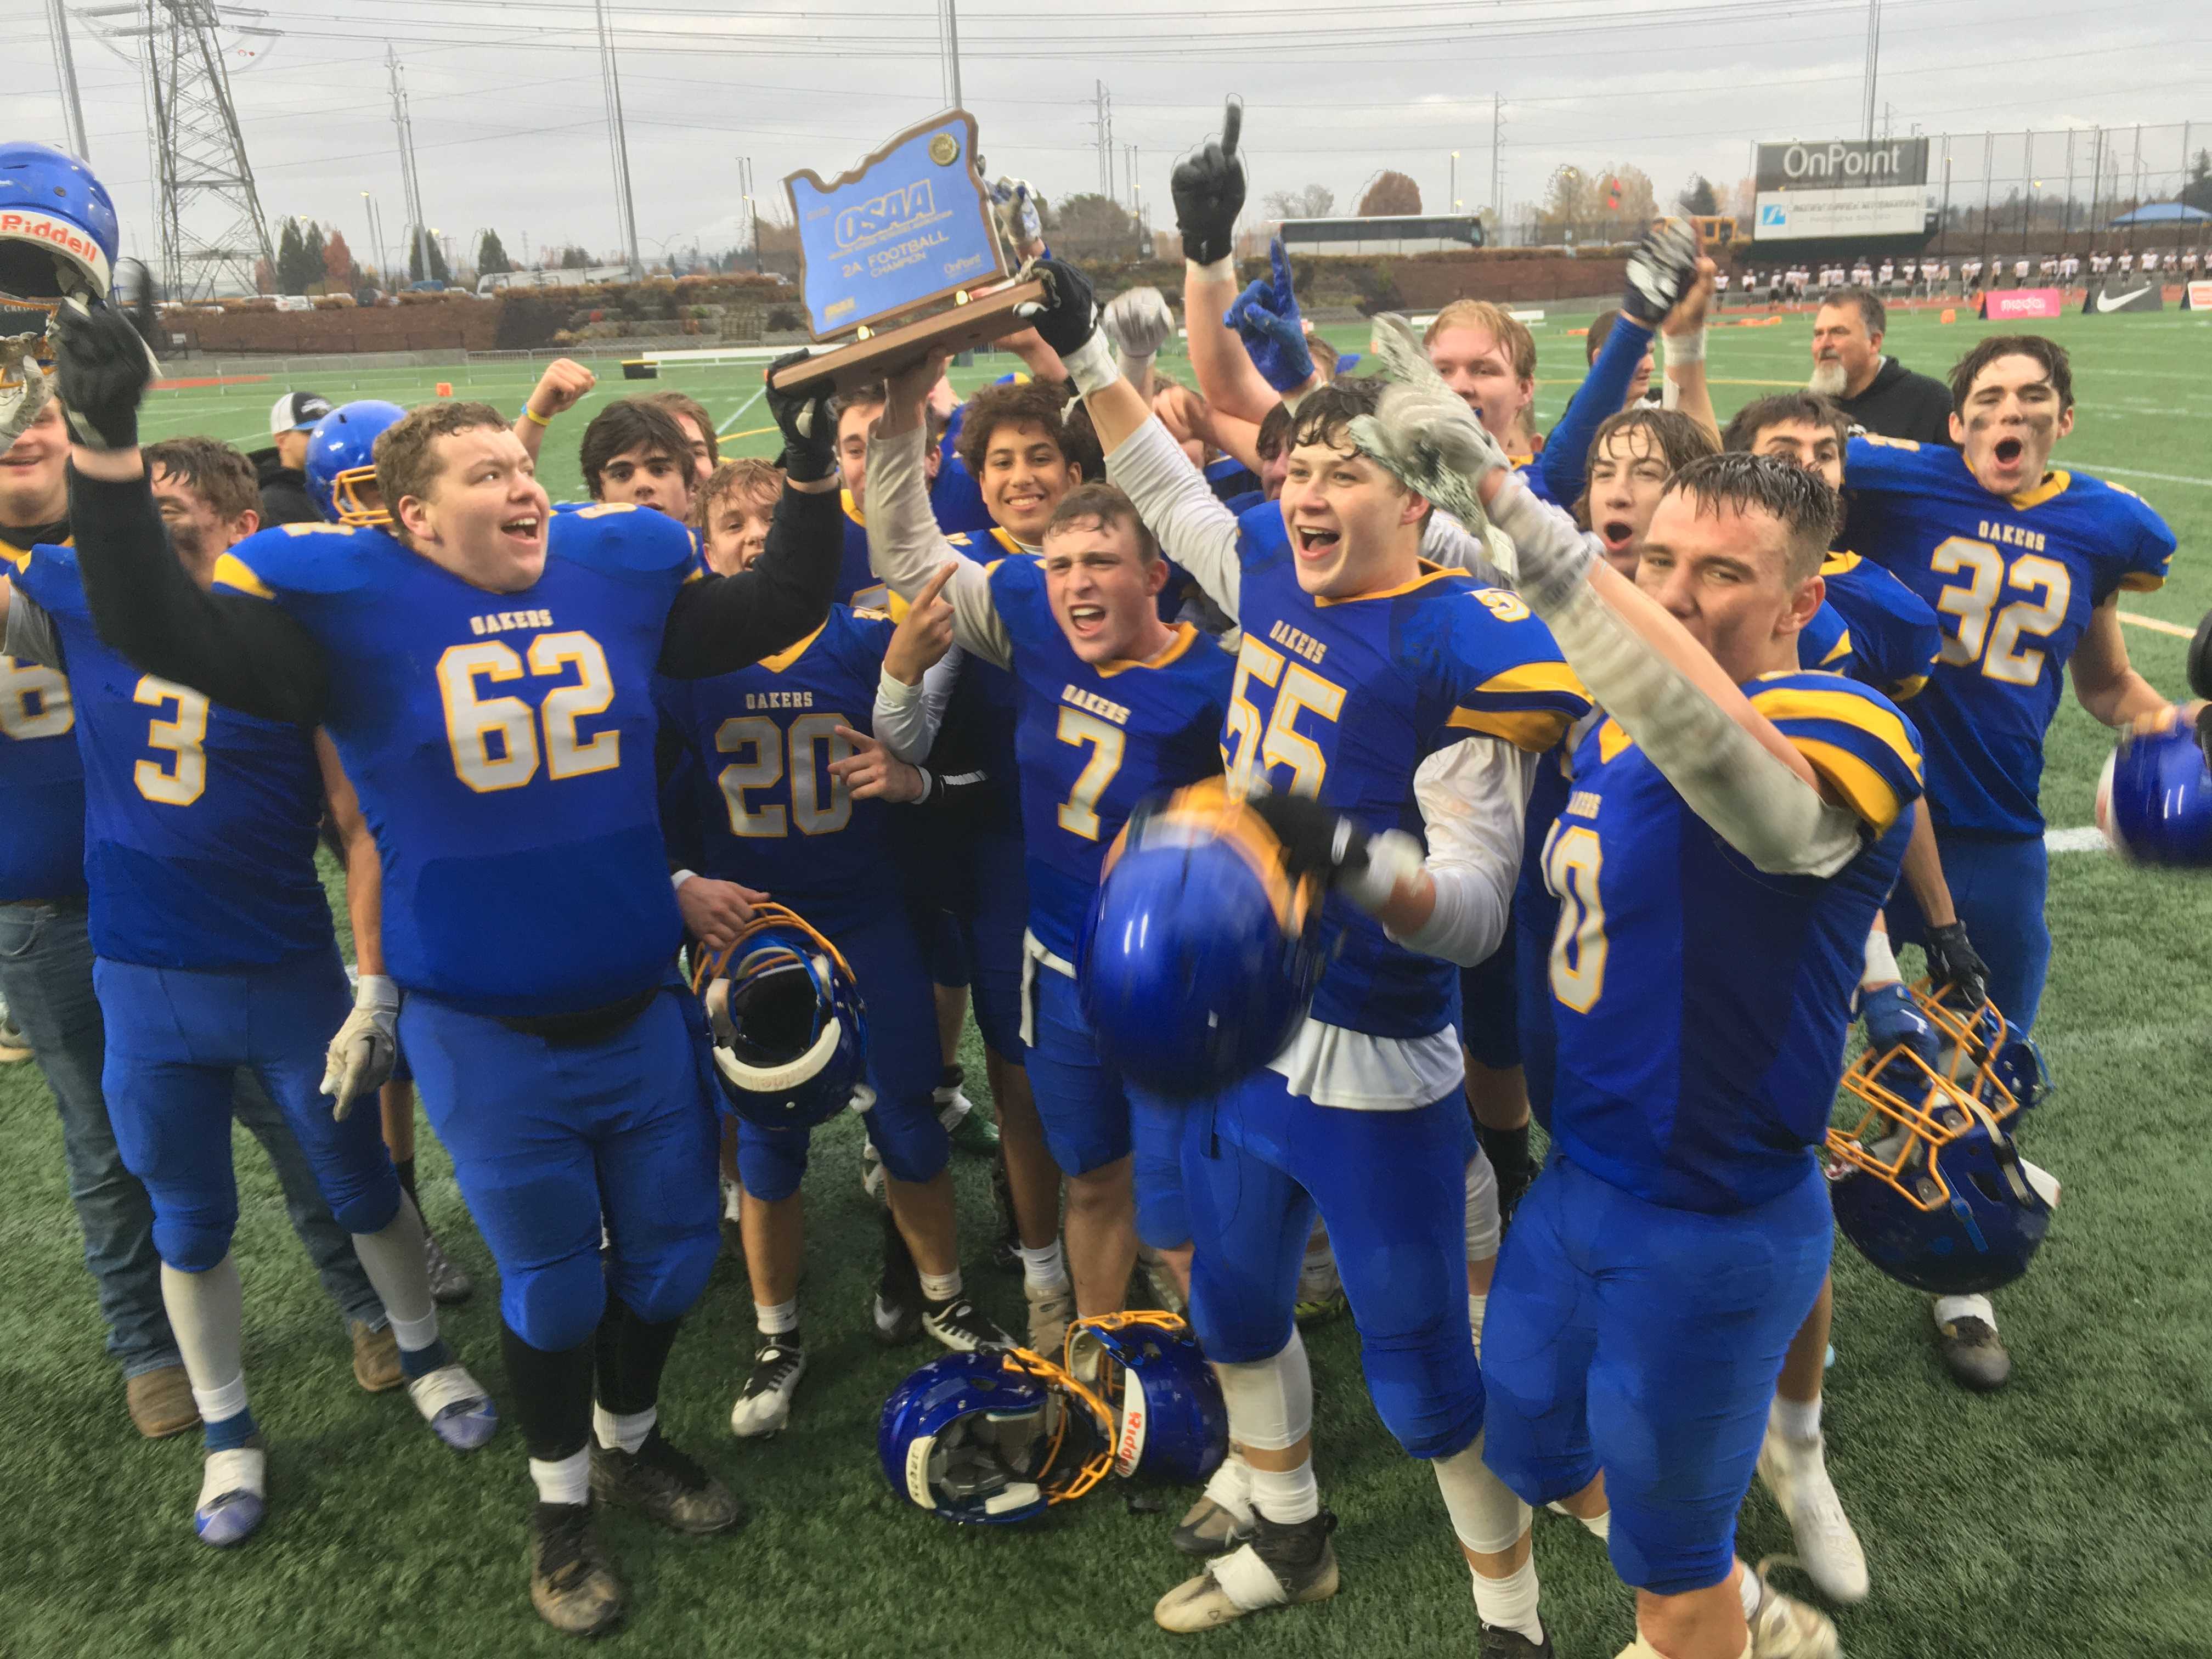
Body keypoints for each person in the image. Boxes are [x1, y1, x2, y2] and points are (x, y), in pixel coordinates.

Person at [53, 300, 843, 1636]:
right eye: (486, 475)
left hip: (641, 1002)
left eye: (525, 471)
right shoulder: (351, 610)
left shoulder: (616, 572)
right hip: (484, 1027)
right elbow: (162, 629)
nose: (524, 487)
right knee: (553, 1283)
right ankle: (561, 1508)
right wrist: (107, 445)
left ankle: (629, 1433)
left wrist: (815, 467)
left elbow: (782, 599)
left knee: (661, 1267)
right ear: (414, 519)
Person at [1025, 251, 1597, 1654]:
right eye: (1297, 470)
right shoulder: (1272, 562)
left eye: (1346, 471)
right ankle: (1290, 1538)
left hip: (1375, 1053)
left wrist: (1347, 863)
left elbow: (1471, 912)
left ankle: (1508, 1613)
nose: (1308, 491)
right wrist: (1087, 355)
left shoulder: (1463, 644)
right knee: (1229, 1308)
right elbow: (1165, 486)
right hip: (1242, 1028)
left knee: (1424, 1385)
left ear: (1416, 496)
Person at [1411, 431, 1910, 1659]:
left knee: (1667, 1579)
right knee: (1527, 1442)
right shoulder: (1603, 713)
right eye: (1658, 558)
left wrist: (1516, 513)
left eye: (1724, 575)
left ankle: (1721, 1621)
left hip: (1715, 1219)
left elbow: (1734, 769)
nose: (1676, 592)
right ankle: (1742, 1608)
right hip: (1586, 1178)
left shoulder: (1842, 720)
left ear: (1806, 600)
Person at [7, 425, 498, 1548]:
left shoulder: (291, 635)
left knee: (360, 1184)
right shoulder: (85, 593)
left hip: (281, 966)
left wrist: (375, 984)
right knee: (188, 1218)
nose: (161, 515)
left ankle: (421, 1352)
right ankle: (229, 1428)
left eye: (186, 503)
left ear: (242, 527)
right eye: (146, 500)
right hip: (141, 977)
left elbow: (355, 826)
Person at [867, 353, 1234, 1338]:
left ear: (1156, 575)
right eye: (1061, 564)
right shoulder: (1026, 603)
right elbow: (907, 552)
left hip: (1168, 972)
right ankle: (1098, 1360)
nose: (1073, 582)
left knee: (1185, 1215)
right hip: (1060, 959)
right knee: (1091, 1179)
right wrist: (902, 411)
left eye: (1100, 564)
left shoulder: (1216, 681)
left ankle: (1240, 1398)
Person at [1843, 334, 2183, 1391]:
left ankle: (1960, 1279)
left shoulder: (2106, 526)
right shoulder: (1893, 476)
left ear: (2062, 418)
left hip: (1992, 826)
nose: (2011, 411)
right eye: (1988, 396)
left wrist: (2174, 723)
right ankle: (1778, 1297)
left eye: (2034, 396)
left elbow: (2107, 683)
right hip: (1856, 810)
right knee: (1790, 1043)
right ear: (1953, 423)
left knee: (1986, 1060)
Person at [656, 547, 1013, 1442]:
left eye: (764, 528)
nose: (750, 544)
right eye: (731, 526)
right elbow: (636, 795)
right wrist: (679, 877)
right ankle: (777, 1335)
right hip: (752, 929)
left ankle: (943, 1298)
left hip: (863, 916)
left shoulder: (867, 640)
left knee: (907, 1117)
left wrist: (907, 749)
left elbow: (945, 759)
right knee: (769, 1138)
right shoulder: (689, 658)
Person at [1807, 287, 1953, 444]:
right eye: (1818, 334)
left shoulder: (1931, 403)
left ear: (1874, 342)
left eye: (1838, 332)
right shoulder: (1809, 408)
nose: (1824, 344)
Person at [579, 397, 697, 522]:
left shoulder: (716, 540)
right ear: (599, 495)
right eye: (622, 474)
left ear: (689, 488)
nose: (643, 485)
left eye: (659, 470)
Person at [250, 391, 332, 526]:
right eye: (311, 433)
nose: (321, 438)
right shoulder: (272, 505)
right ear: (282, 441)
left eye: (327, 430)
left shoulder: (333, 482)